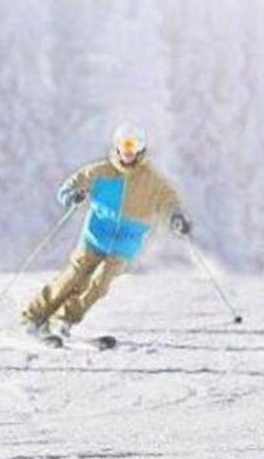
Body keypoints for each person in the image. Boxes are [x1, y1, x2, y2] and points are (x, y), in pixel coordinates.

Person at [22, 123, 192, 341]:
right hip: (94, 237)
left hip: (125, 244)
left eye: (134, 145)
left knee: (99, 285)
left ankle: (63, 320)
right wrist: (72, 195)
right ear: (117, 146)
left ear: (141, 149)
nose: (128, 151)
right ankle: (34, 316)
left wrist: (176, 217)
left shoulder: (151, 181)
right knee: (73, 277)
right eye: (124, 145)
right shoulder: (101, 172)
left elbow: (169, 201)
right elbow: (69, 186)